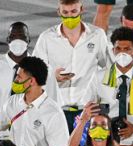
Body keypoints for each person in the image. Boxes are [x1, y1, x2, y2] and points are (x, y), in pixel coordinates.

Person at [32, 0, 112, 135]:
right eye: (65, 12)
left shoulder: (97, 35)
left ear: (81, 9)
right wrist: (52, 78)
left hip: (88, 112)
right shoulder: (46, 38)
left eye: (74, 12)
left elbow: (109, 70)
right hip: (56, 111)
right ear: (59, 12)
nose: (70, 17)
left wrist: (105, 105)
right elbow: (34, 74)